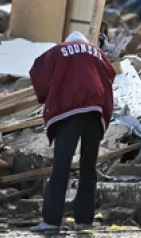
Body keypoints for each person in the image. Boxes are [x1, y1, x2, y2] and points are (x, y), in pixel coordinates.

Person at [29, 31, 116, 234]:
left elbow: (38, 71)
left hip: (68, 114)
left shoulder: (59, 50)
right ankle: (83, 221)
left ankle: (51, 222)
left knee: (61, 167)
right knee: (89, 169)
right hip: (94, 113)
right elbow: (110, 76)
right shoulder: (98, 53)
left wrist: (47, 94)